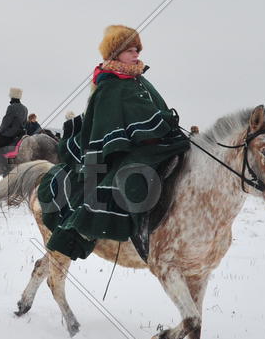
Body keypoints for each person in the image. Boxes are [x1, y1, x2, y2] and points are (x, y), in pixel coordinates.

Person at [37, 25, 190, 262]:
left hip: (150, 142)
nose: (136, 54)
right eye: (130, 50)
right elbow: (107, 123)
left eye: (137, 49)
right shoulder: (109, 84)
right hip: (118, 147)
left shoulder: (138, 78)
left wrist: (164, 123)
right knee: (126, 178)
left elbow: (149, 109)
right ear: (115, 53)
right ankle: (90, 228)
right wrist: (142, 133)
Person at [0, 87, 28, 174]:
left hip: (11, 134)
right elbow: (25, 122)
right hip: (22, 133)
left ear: (12, 97)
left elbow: (6, 121)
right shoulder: (25, 108)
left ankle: (3, 169)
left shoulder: (11, 107)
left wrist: (0, 131)